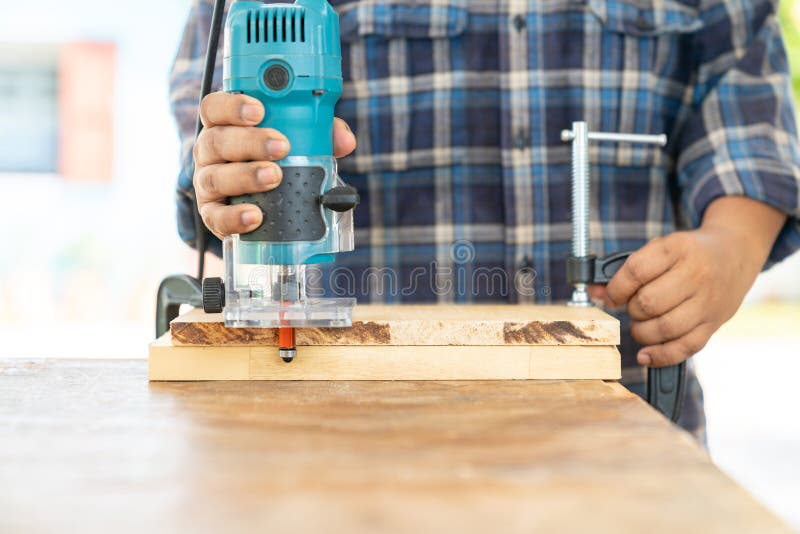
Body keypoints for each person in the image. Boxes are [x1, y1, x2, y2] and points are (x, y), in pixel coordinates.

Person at [169, 0, 800, 440]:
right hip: (347, 437)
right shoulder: (261, 19)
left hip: (625, 427)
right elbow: (208, 134)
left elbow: (747, 110)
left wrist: (729, 249)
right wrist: (225, 166)